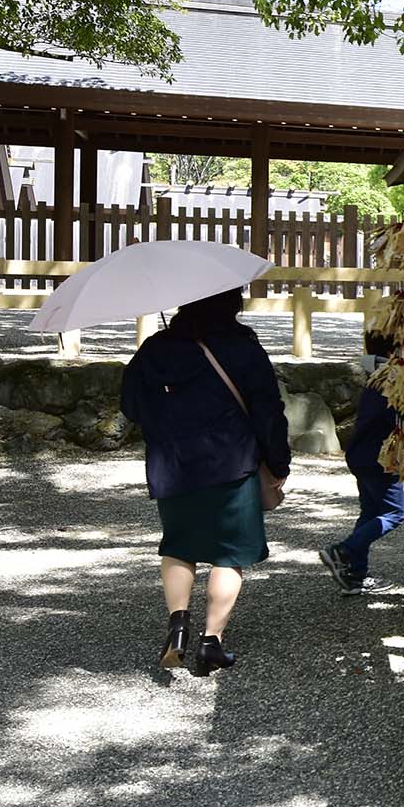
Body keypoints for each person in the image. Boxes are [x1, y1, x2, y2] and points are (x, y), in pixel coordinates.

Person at [120, 287, 291, 676]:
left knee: (179, 545)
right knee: (229, 553)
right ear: (231, 304)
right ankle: (211, 642)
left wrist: (168, 419)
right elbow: (268, 410)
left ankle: (178, 626)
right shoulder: (243, 347)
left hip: (172, 464)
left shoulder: (155, 347)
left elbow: (131, 405)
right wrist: (279, 462)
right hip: (231, 463)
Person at [319, 332, 404, 596]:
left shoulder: (375, 372)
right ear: (397, 349)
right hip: (380, 457)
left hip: (360, 453)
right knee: (394, 513)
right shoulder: (392, 379)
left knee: (370, 512)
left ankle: (354, 576)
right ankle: (343, 551)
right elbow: (401, 418)